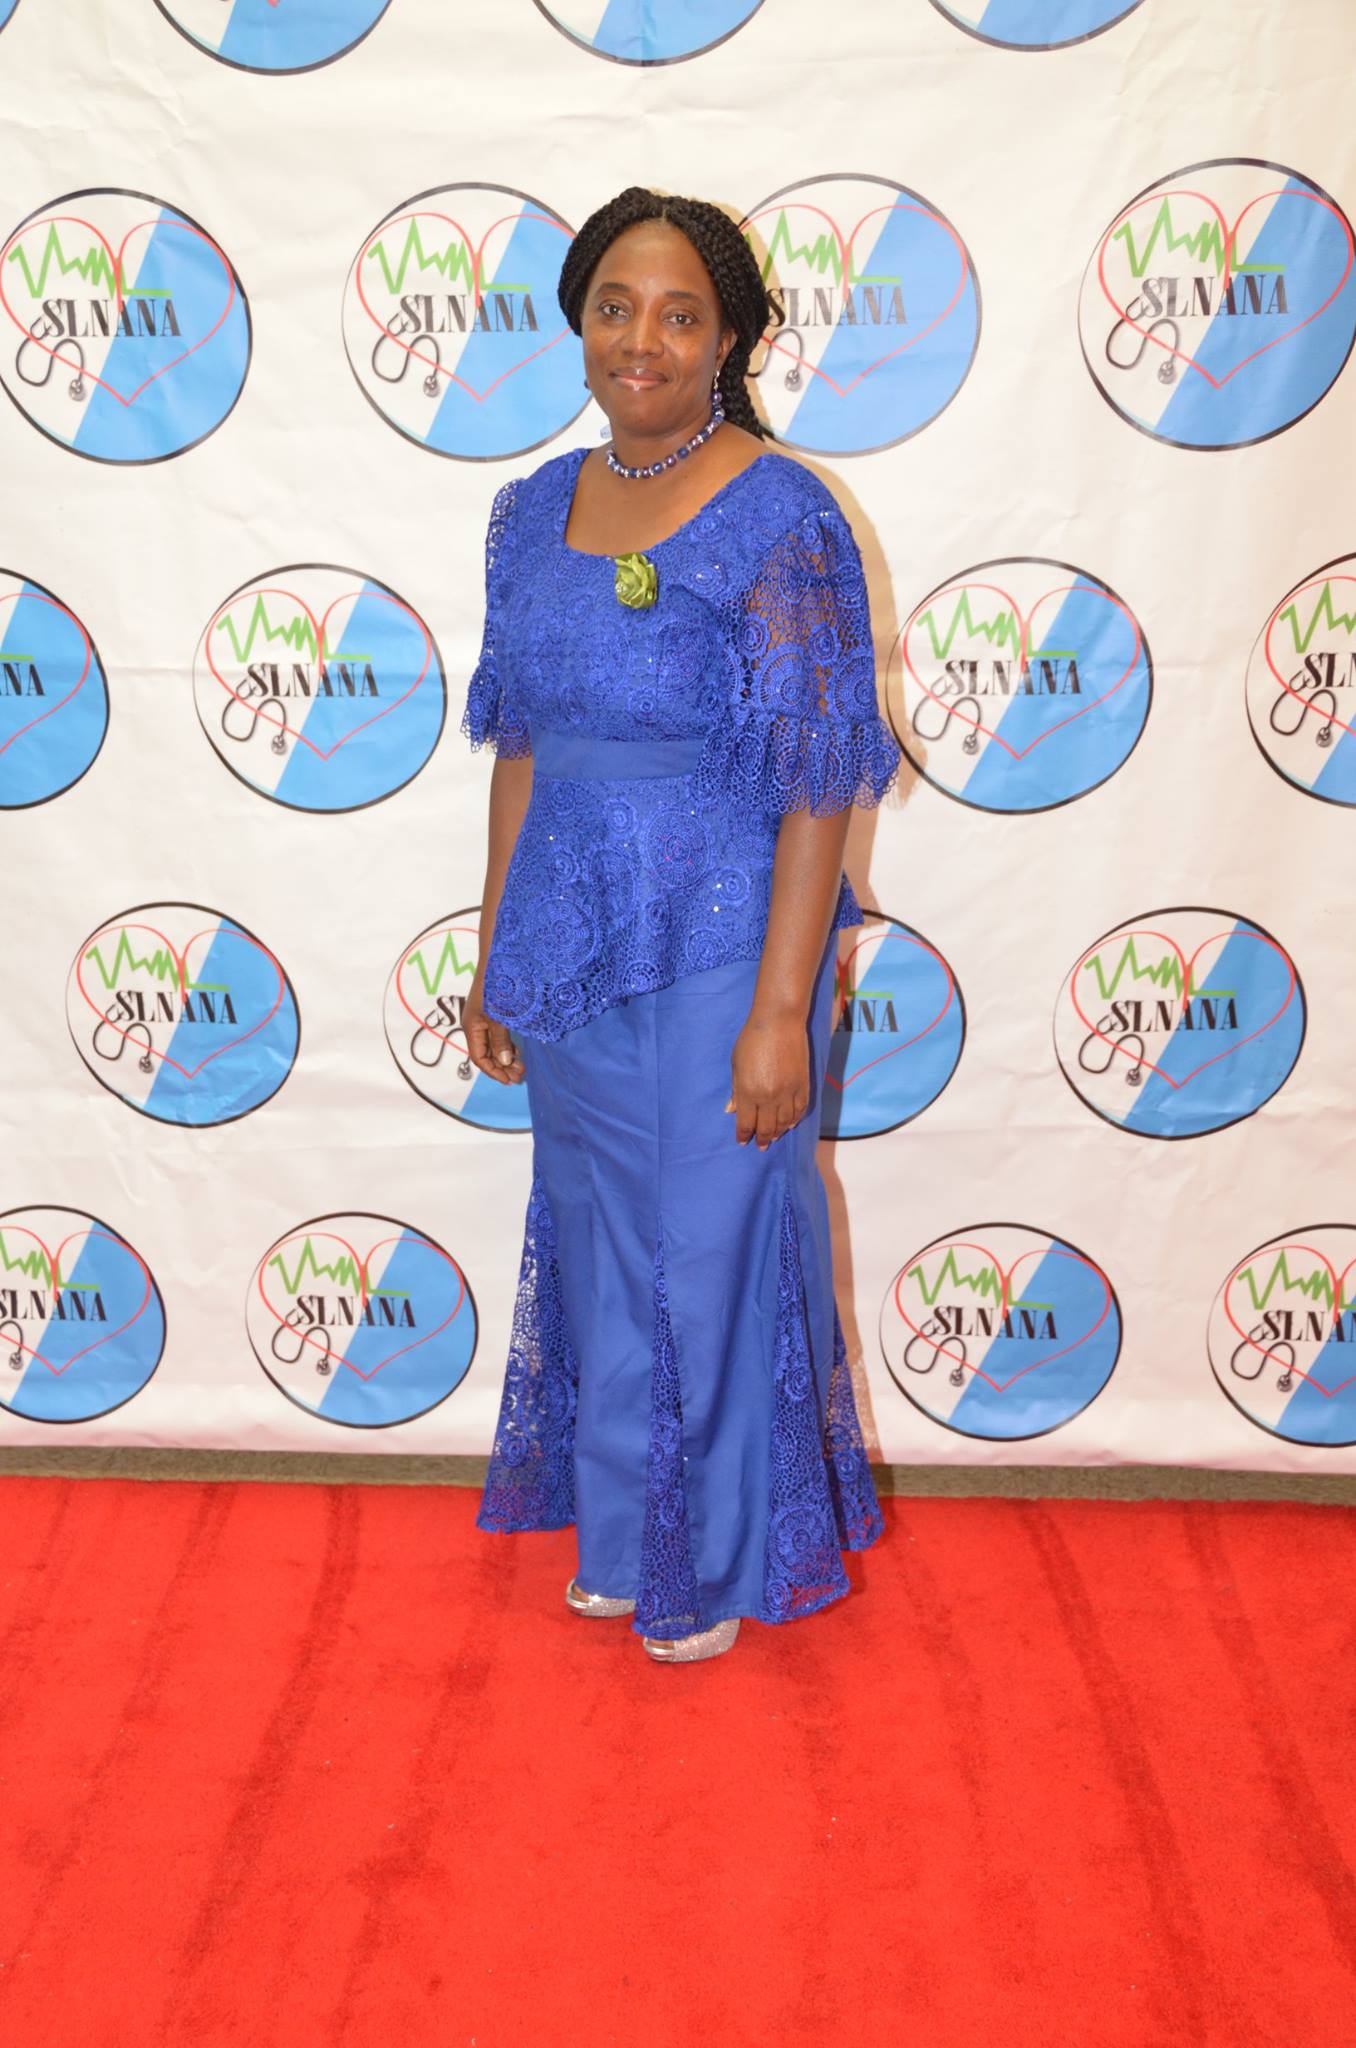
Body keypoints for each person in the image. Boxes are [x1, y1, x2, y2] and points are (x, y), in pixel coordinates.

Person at [459, 186, 900, 1664]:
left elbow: (819, 776)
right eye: (613, 306)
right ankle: (619, 1534)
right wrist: (496, 950)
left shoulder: (782, 514)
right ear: (577, 324)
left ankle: (707, 1563)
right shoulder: (530, 511)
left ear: (730, 340)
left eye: (678, 313)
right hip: (569, 940)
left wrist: (781, 1009)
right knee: (597, 1240)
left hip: (726, 944)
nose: (639, 338)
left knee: (706, 1251)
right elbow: (520, 746)